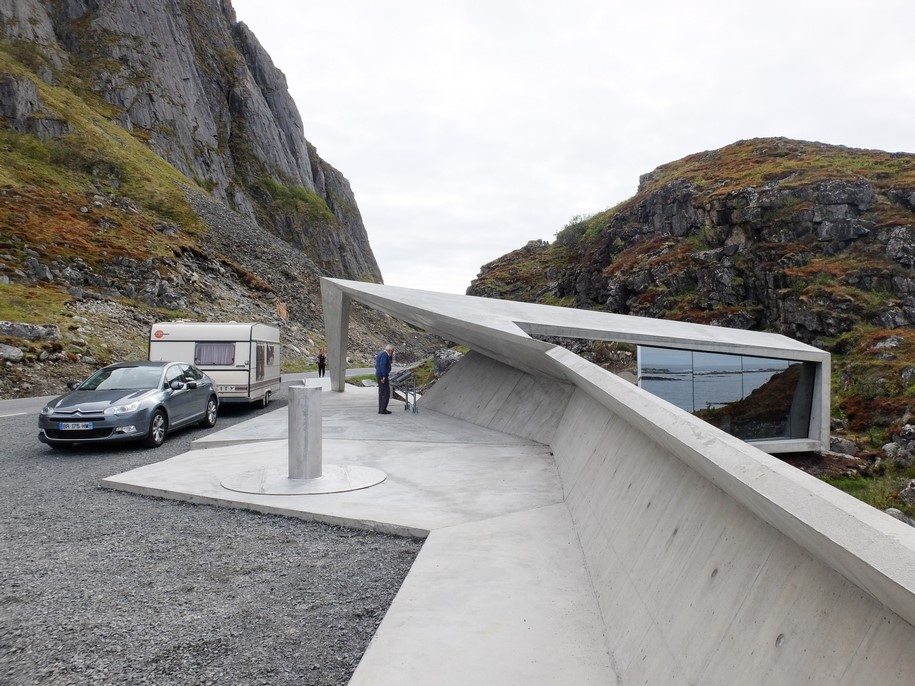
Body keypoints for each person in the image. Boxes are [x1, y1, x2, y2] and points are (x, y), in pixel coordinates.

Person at [375, 344, 394, 414]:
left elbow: (377, 365)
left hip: (379, 375)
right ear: (390, 350)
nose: (392, 353)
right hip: (383, 376)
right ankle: (383, 409)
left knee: (381, 392)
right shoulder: (384, 355)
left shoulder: (380, 354)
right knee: (386, 392)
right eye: (392, 351)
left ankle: (381, 409)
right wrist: (384, 375)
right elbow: (382, 365)